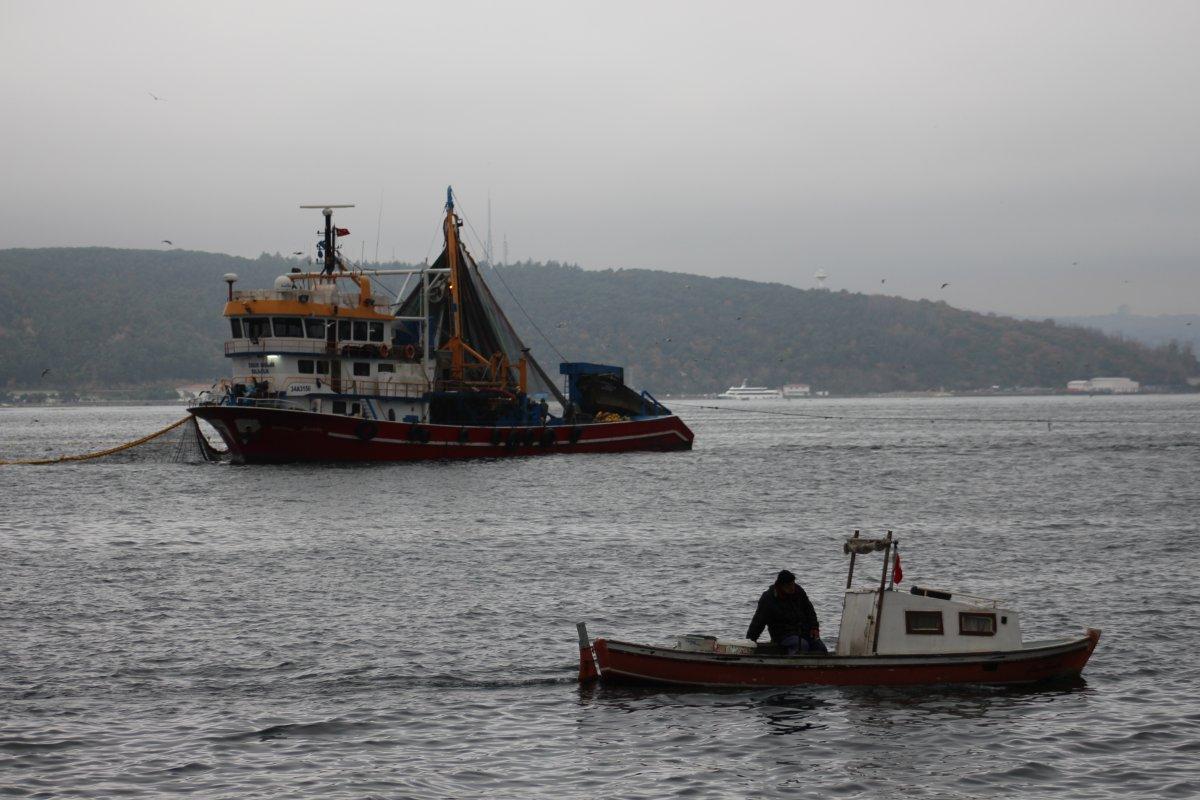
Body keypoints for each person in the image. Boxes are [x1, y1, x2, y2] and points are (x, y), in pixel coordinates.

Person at [746, 569, 828, 655]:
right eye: (789, 585)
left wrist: (814, 627)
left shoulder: (798, 591)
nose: (792, 588)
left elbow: (810, 611)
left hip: (803, 631)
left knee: (820, 647)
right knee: (801, 646)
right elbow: (758, 621)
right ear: (781, 585)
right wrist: (750, 641)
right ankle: (794, 665)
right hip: (783, 635)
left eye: (793, 584)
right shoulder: (768, 598)